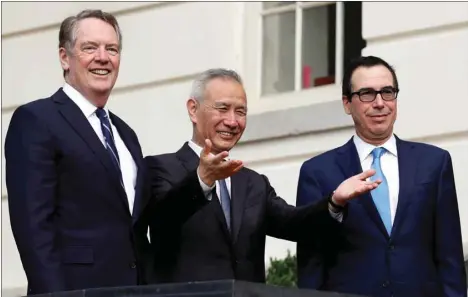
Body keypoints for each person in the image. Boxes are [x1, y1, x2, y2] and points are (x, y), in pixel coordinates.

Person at [140, 68, 381, 284]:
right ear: (193, 110)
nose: (232, 121)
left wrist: (335, 201)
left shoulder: (252, 182)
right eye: (222, 108)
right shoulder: (160, 168)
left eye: (241, 111)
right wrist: (202, 180)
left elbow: (293, 224)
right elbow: (162, 222)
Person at [4, 10, 151, 295]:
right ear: (64, 57)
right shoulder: (36, 120)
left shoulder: (126, 134)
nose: (103, 57)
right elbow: (34, 231)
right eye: (89, 48)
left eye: (112, 49)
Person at [296, 56, 467, 297]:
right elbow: (311, 263)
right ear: (347, 103)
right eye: (366, 94)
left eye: (387, 92)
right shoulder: (318, 172)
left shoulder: (434, 163)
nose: (379, 103)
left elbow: (450, 257)